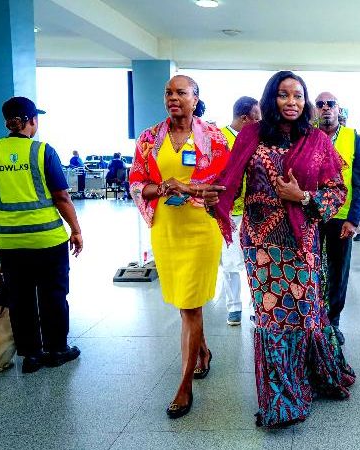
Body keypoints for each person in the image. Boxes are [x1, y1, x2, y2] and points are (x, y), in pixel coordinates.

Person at [210, 70, 355, 427]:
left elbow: (337, 191)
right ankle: (280, 399)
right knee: (272, 320)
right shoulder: (251, 135)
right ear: (270, 98)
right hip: (260, 243)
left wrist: (303, 196)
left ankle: (315, 375)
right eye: (283, 95)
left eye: (298, 96)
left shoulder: (318, 140)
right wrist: (206, 193)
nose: (292, 102)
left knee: (304, 315)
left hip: (302, 242)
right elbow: (228, 180)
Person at [129, 75, 229, 419]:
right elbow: (136, 183)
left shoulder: (213, 137)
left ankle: (184, 385)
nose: (173, 98)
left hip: (201, 229)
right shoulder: (148, 139)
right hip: (167, 229)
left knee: (191, 305)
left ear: (195, 98)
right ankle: (202, 351)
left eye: (181, 93)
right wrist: (162, 189)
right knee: (184, 304)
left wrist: (188, 188)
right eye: (168, 92)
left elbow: (225, 182)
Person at [0, 96, 84, 374]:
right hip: (47, 240)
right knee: (53, 295)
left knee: (19, 298)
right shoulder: (43, 151)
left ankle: (30, 355)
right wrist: (76, 230)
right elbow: (61, 197)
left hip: (8, 241)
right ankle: (57, 349)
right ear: (32, 121)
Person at [314, 91, 360, 345]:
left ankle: (333, 322)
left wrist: (354, 220)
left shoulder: (352, 138)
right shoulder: (305, 137)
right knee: (311, 269)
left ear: (339, 109)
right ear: (314, 110)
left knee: (338, 271)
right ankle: (313, 321)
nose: (325, 108)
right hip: (310, 214)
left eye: (330, 104)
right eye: (320, 104)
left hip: (341, 217)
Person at [219, 96, 262, 326]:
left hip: (255, 210)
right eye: (257, 117)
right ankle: (234, 307)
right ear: (245, 118)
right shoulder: (221, 139)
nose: (260, 122)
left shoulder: (258, 139)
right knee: (230, 261)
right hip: (230, 212)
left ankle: (258, 307)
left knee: (255, 261)